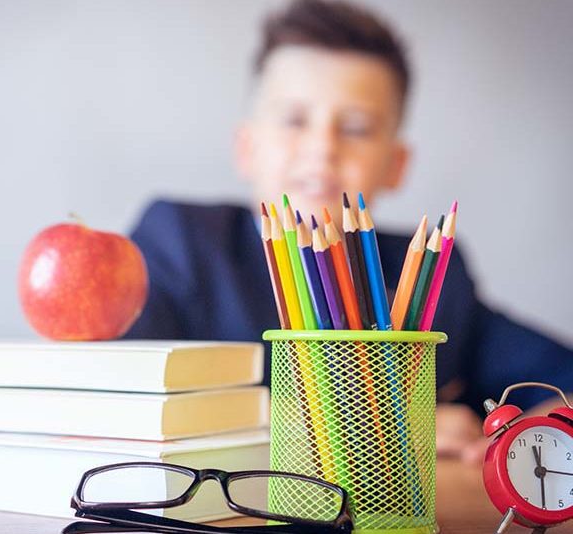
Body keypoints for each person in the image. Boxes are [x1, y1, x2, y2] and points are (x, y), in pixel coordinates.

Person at [123, 0, 573, 463]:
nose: (322, 148)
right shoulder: (180, 240)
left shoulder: (433, 278)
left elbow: (564, 383)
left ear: (396, 166)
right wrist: (388, 431)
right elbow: (118, 397)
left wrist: (514, 449)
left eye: (356, 128)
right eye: (295, 120)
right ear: (247, 147)